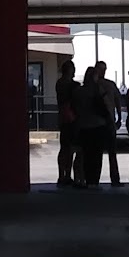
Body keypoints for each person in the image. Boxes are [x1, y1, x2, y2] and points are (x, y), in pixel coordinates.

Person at [74, 61, 110, 185]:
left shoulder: (79, 91)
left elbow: (75, 108)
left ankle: (85, 179)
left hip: (83, 125)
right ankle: (94, 180)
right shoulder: (98, 90)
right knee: (96, 155)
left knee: (86, 154)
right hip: (98, 125)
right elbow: (105, 105)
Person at [95, 62, 125, 185]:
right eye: (101, 69)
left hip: (105, 122)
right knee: (102, 153)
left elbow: (118, 101)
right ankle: (98, 179)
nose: (103, 71)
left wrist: (118, 117)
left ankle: (111, 179)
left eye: (104, 69)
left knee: (106, 152)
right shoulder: (101, 85)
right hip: (101, 122)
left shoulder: (105, 85)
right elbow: (118, 101)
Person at [55, 58, 80, 188]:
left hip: (63, 118)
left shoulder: (59, 83)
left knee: (65, 148)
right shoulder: (70, 85)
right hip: (71, 118)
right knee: (69, 148)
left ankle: (62, 175)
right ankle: (66, 174)